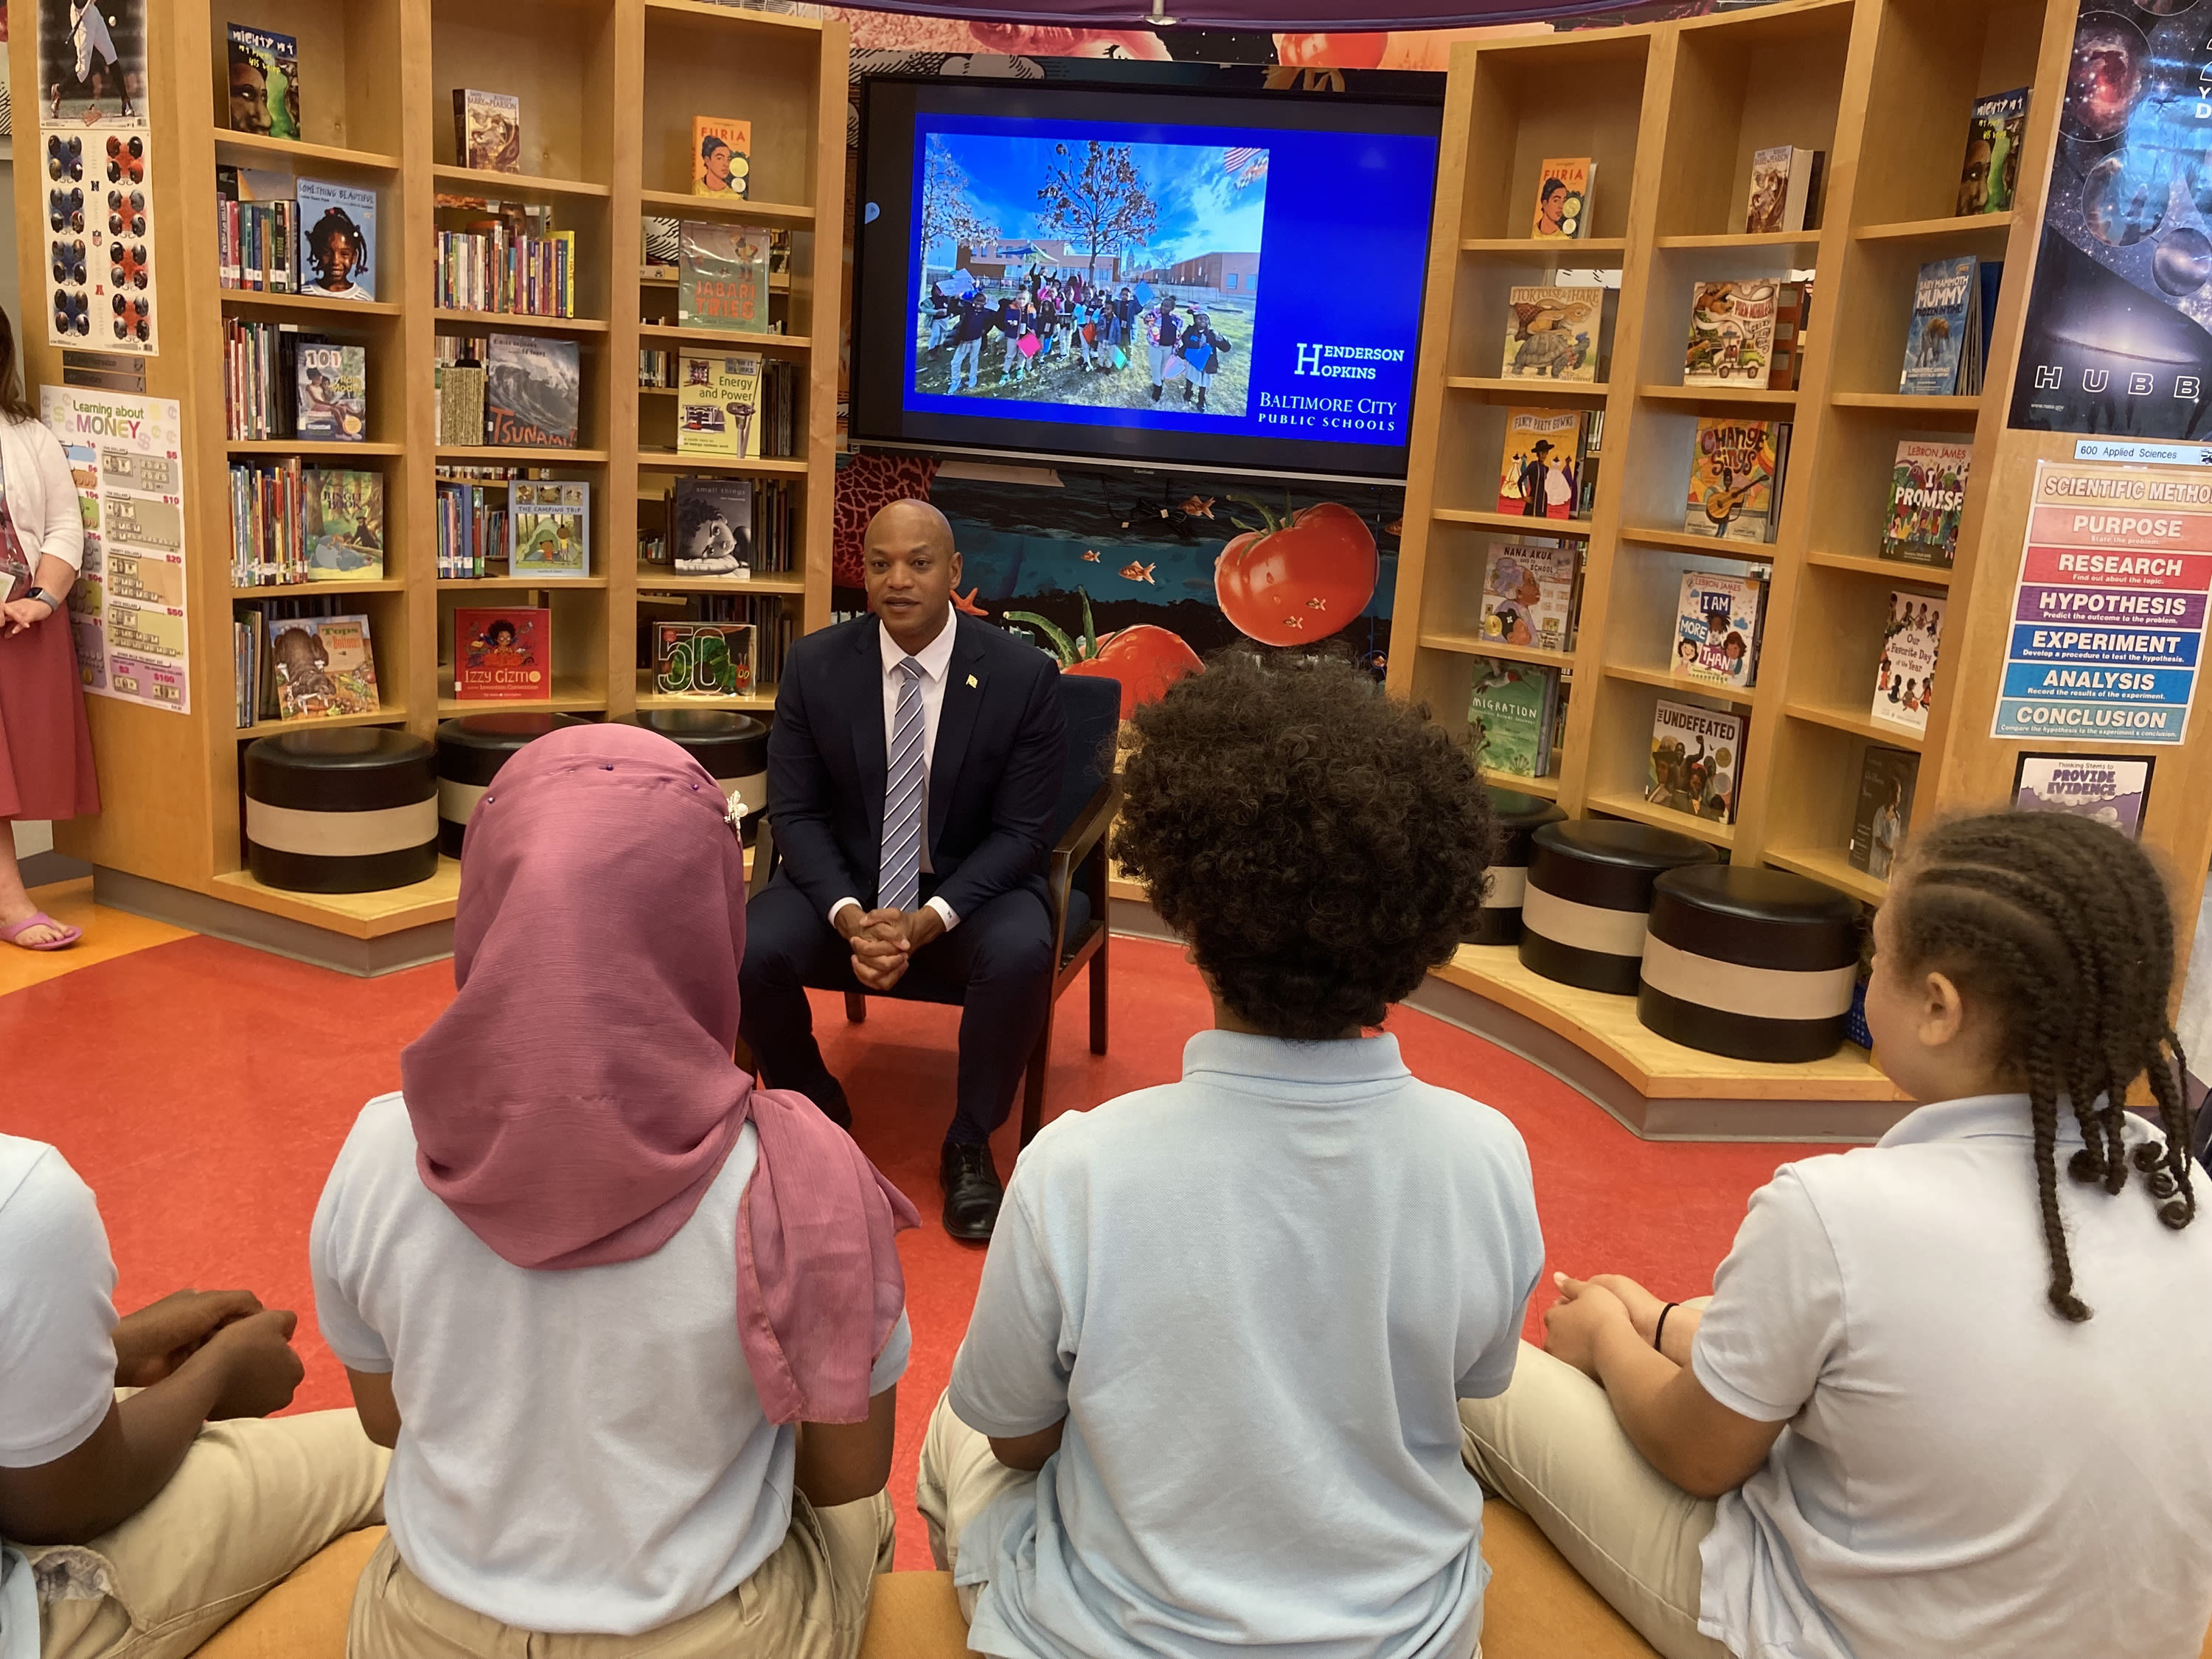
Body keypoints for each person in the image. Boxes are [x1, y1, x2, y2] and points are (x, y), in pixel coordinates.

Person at [1459, 810, 2212, 1659]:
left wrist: (1604, 1339)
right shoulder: (2177, 1183)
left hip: (1833, 1638)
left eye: (1877, 958)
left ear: (1937, 1007)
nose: (1867, 974)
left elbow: (1694, 1457)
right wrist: (1666, 1324)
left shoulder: (1833, 1209)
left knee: (1473, 1374)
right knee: (1765, 1322)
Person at [917, 650, 1543, 1659]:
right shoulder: (1486, 1154)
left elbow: (1018, 1434)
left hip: (1111, 1638)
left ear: (1187, 911)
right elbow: (1474, 1381)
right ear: (1423, 932)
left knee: (956, 1419)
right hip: (1406, 1637)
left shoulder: (1078, 1168)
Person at [313, 722, 918, 1658]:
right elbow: (844, 1472)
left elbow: (388, 1422)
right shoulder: (803, 1174)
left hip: (427, 1628)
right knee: (866, 1521)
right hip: (710, 1635)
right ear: (712, 914)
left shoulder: (379, 1148)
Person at [741, 500, 1066, 1241]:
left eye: (919, 563)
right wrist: (853, 917)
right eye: (880, 563)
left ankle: (969, 1141)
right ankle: (812, 1103)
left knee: (1020, 949)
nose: (898, 580)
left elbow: (1023, 834)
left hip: (969, 893)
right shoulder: (816, 665)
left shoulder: (1022, 676)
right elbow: (794, 814)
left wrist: (928, 918)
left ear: (953, 571)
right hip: (847, 890)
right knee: (745, 944)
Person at [0, 1135, 389, 1659]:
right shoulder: (21, 1193)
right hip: (27, 1610)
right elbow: (60, 1506)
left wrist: (111, 1353)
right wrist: (218, 1374)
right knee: (392, 1458)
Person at [0, 309, 98, 951]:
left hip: (20, 619)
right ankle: (9, 901)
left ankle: (8, 901)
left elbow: (66, 524)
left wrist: (42, 596)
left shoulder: (27, 433)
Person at [303, 208, 371, 301]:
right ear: (317, 253)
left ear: (354, 257)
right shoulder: (303, 294)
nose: (335, 261)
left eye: (344, 254)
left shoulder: (365, 300)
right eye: (327, 253)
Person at [1175, 309, 1233, 411]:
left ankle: (1201, 400)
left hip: (1206, 363)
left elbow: (1226, 349)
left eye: (1206, 319)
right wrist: (1198, 344)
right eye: (1200, 318)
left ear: (1209, 321)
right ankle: (1188, 392)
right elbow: (1186, 341)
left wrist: (1222, 341)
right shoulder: (1190, 330)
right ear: (1195, 320)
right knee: (1190, 377)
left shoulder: (1212, 333)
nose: (1203, 321)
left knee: (1204, 382)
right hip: (1193, 360)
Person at [1143, 294, 1183, 402]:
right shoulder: (1156, 316)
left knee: (1163, 366)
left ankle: (1159, 381)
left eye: (1167, 306)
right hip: (1156, 346)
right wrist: (1153, 312)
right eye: (1163, 306)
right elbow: (1146, 320)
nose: (1164, 308)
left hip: (1168, 347)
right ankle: (1158, 388)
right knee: (1155, 366)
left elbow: (1178, 333)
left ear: (1172, 308)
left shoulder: (1177, 319)